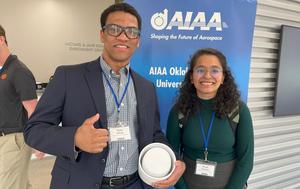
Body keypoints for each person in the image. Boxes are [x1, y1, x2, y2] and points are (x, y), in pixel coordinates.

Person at [24, 3, 185, 189]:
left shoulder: (146, 87)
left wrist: (172, 160)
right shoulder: (68, 77)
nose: (123, 36)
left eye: (131, 31)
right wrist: (74, 138)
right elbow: (33, 130)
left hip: (134, 183)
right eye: (114, 29)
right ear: (102, 34)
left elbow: (154, 134)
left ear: (138, 40)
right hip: (80, 183)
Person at [166, 48, 254, 189]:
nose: (207, 75)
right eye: (200, 70)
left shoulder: (239, 111)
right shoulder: (179, 111)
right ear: (191, 77)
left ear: (223, 77)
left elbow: (246, 161)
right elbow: (172, 157)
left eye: (215, 70)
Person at [0, 25, 44, 189]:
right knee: (20, 184)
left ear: (1, 40)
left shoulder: (18, 71)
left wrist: (38, 142)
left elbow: (33, 110)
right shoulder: (3, 71)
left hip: (15, 140)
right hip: (5, 139)